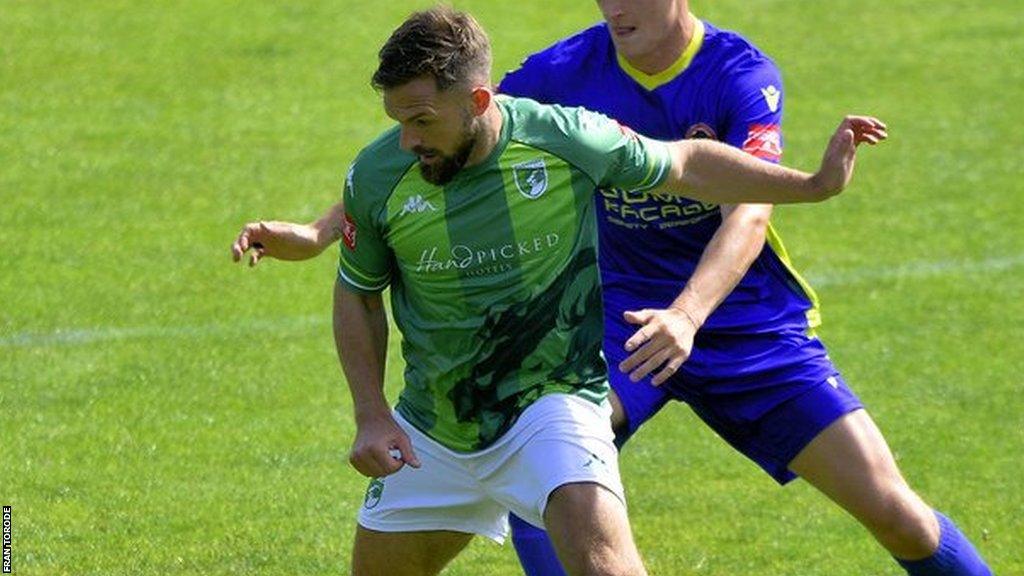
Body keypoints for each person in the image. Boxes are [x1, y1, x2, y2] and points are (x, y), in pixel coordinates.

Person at [234, 6, 885, 576]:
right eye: (397, 121)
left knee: (605, 563)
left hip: (553, 404)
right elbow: (357, 292)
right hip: (435, 425)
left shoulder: (563, 138)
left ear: (480, 103)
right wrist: (371, 413)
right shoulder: (380, 173)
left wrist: (812, 186)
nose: (408, 140)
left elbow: (682, 164)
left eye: (423, 121)